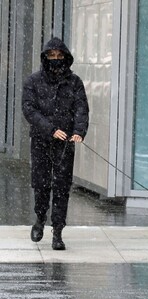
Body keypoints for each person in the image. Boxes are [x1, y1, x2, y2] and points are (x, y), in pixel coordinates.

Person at [22, 37, 89, 250]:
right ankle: (40, 218)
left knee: (61, 187)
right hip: (41, 140)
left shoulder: (74, 82)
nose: (56, 59)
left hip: (65, 143)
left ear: (66, 58)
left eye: (60, 56)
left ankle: (58, 232)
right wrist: (50, 129)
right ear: (45, 58)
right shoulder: (33, 82)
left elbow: (81, 109)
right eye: (51, 56)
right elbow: (30, 110)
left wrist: (78, 131)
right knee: (41, 184)